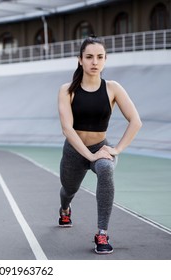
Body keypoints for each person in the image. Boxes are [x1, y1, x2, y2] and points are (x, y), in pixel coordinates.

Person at [57, 36, 142, 254]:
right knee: (68, 190)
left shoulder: (113, 88)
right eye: (89, 57)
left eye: (100, 57)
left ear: (105, 60)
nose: (95, 62)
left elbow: (136, 121)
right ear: (80, 60)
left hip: (100, 148)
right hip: (74, 151)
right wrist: (88, 155)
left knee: (106, 169)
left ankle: (102, 233)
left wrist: (116, 150)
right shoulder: (67, 90)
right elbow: (67, 128)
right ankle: (65, 209)